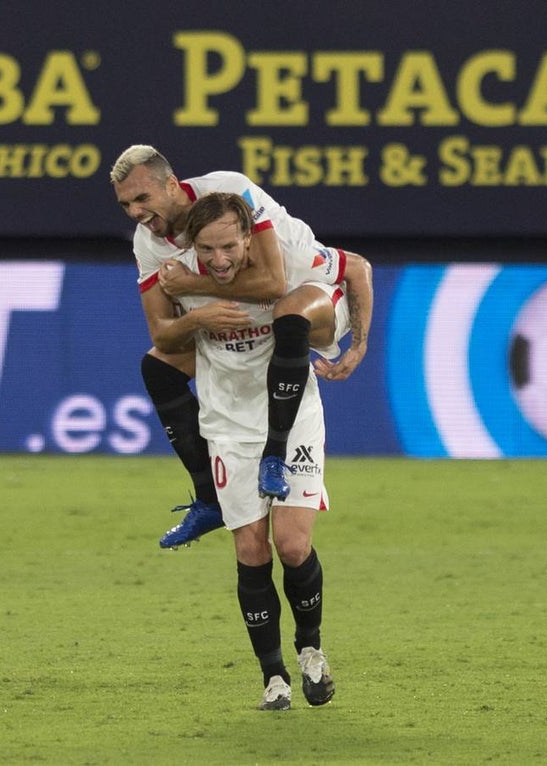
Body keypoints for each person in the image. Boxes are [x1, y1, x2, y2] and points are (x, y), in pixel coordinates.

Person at [157, 191, 371, 709]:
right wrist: (196, 315)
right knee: (251, 551)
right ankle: (273, 677)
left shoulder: (292, 262)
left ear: (250, 236)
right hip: (228, 427)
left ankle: (311, 649)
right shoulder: (176, 276)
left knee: (293, 547)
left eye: (229, 246)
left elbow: (357, 268)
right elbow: (161, 343)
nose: (219, 259)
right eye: (207, 249)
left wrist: (358, 341)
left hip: (294, 420)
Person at [110, 145, 370, 548]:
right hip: (257, 322)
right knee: (159, 367)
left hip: (314, 301)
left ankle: (274, 455)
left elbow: (276, 280)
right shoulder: (149, 241)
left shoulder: (230, 196)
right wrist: (196, 318)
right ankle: (208, 499)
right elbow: (162, 334)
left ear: (172, 185)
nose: (135, 212)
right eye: (125, 204)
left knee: (288, 311)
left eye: (142, 198)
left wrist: (359, 346)